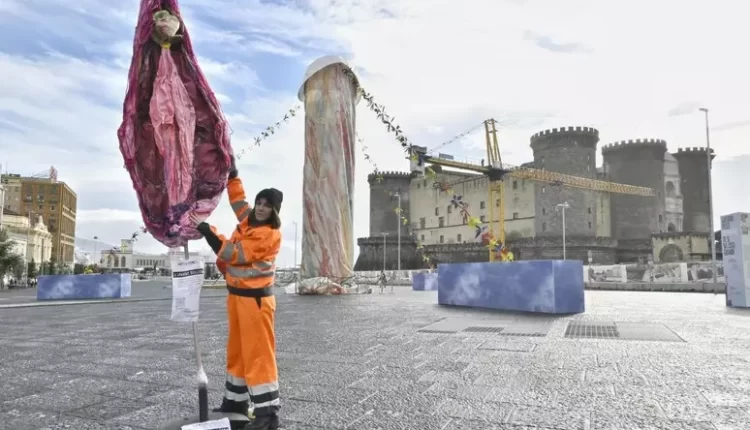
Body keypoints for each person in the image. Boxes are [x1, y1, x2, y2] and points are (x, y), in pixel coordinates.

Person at [192, 157, 283, 430]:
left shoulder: (269, 234)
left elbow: (234, 254)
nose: (262, 208)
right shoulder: (249, 219)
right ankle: (235, 403)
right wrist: (233, 174)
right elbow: (238, 200)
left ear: (275, 211)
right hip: (237, 297)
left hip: (256, 302)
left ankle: (268, 414)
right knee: (238, 352)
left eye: (268, 205)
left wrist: (207, 230)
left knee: (258, 354)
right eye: (260, 203)